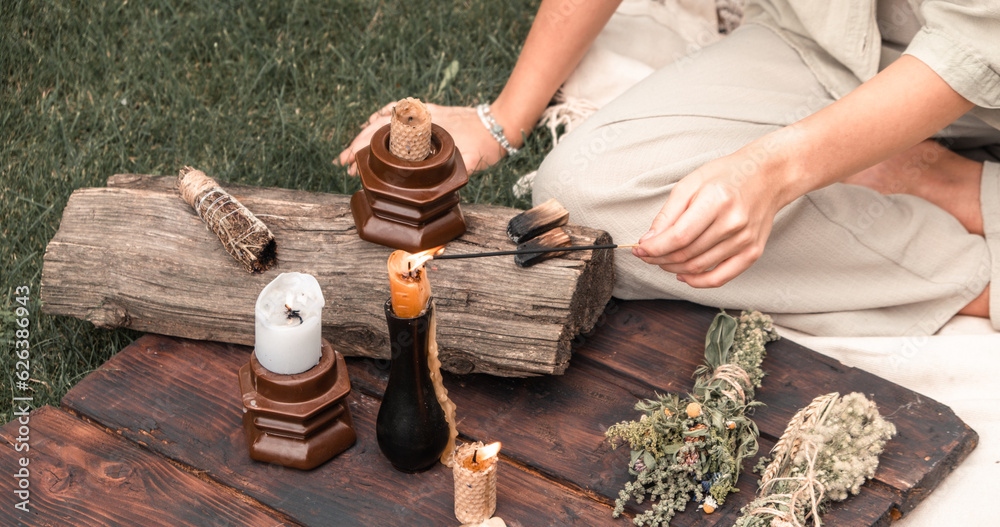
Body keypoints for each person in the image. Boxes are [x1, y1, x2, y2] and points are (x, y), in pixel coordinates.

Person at [340, 0, 1000, 336]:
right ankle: (922, 177)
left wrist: (776, 168)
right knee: (583, 199)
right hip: (818, 40)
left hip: (979, 77)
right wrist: (502, 121)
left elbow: (971, 44)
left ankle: (970, 256)